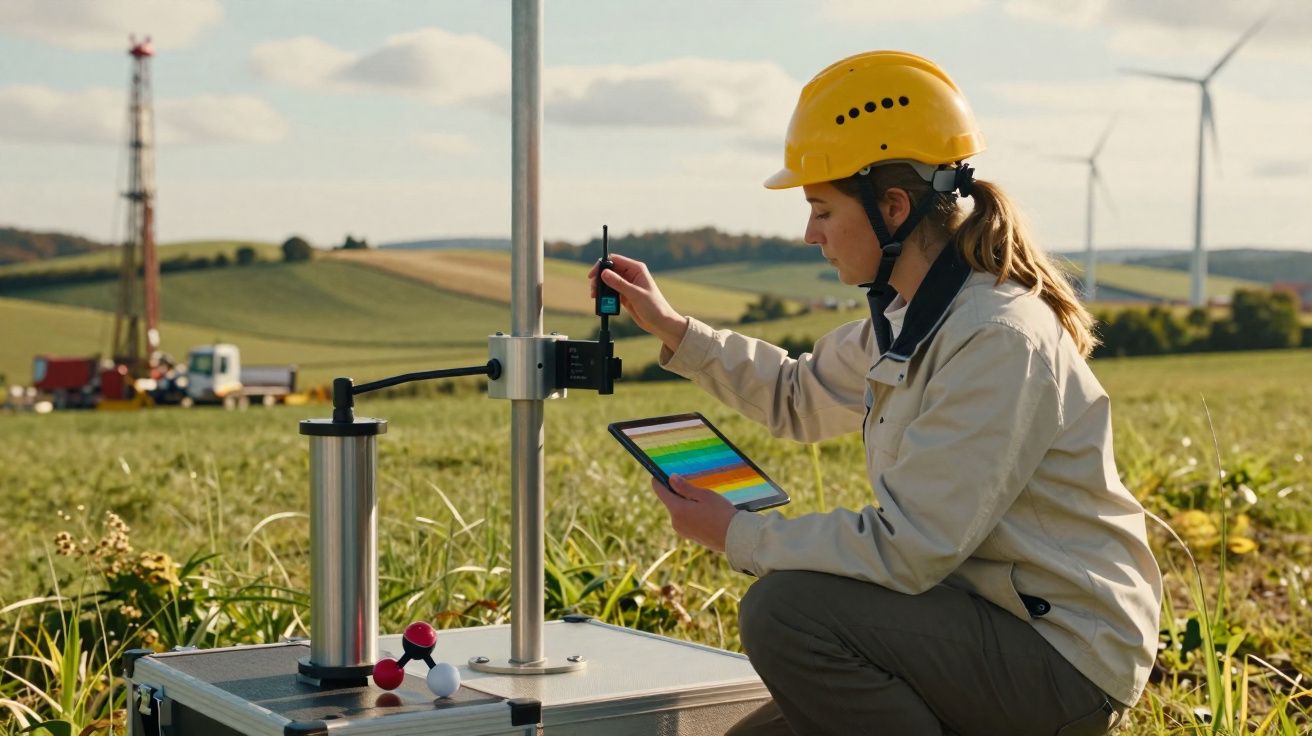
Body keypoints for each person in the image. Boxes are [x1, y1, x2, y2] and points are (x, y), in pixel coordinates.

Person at [588, 50, 1162, 735]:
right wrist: (673, 328)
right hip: (973, 625)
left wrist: (738, 532)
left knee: (785, 611)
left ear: (892, 208)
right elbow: (798, 395)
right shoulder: (913, 317)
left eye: (822, 209)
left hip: (1061, 662)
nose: (810, 234)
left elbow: (908, 545)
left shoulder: (996, 338)